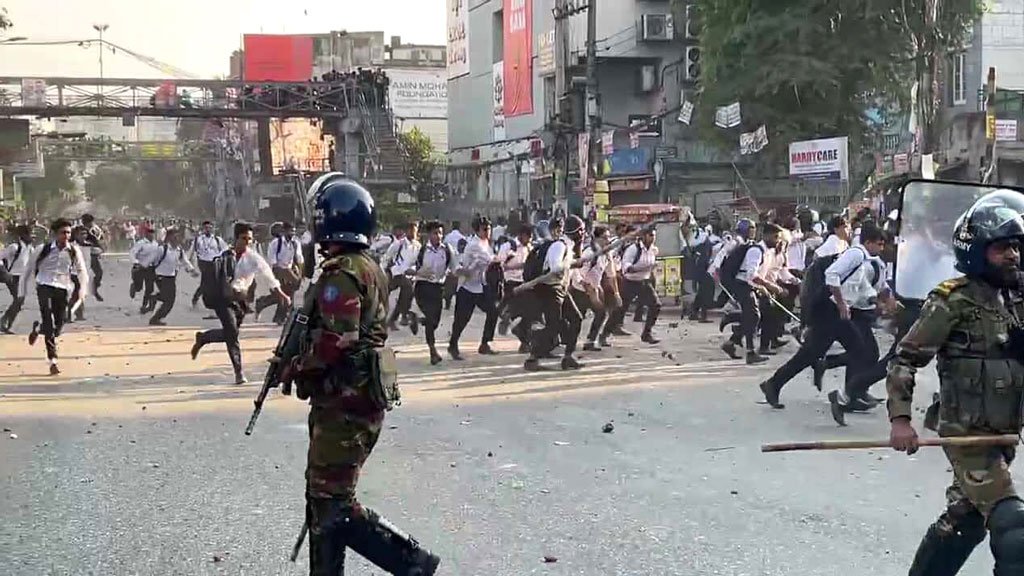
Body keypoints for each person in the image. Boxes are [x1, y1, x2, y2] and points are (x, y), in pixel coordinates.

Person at [280, 172, 441, 575]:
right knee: (323, 499)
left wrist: (295, 366)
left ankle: (412, 563)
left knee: (333, 503)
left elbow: (338, 339)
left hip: (347, 401)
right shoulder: (366, 265)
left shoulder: (343, 272)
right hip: (354, 397)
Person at [888, 190, 1024, 576]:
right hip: (966, 433)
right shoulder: (952, 302)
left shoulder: (1016, 297)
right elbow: (905, 359)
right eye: (1002, 249)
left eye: (1015, 247)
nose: (1013, 255)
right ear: (977, 252)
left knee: (965, 521)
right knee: (1014, 529)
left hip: (1003, 431)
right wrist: (900, 420)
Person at [758, 224, 889, 410]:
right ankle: (847, 392)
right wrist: (842, 303)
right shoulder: (856, 254)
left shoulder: (867, 259)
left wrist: (876, 302)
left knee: (840, 351)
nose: (881, 248)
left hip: (835, 309)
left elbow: (860, 286)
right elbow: (832, 275)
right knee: (856, 351)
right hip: (829, 309)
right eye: (879, 243)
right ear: (868, 241)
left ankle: (844, 388)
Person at [190, 222, 290, 385]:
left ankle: (204, 337)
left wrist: (281, 293)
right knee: (231, 332)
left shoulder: (253, 257)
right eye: (244, 238)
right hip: (223, 299)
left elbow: (267, 274)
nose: (248, 242)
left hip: (241, 300)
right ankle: (239, 372)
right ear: (236, 238)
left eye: (250, 239)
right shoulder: (224, 255)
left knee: (232, 333)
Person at [20, 219, 89, 376]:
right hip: (44, 285)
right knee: (48, 320)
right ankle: (53, 361)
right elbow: (28, 270)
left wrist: (82, 291)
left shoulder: (73, 251)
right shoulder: (42, 249)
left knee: (59, 325)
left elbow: (82, 271)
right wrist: (21, 293)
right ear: (55, 234)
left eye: (68, 233)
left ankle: (38, 329)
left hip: (63, 287)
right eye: (63, 232)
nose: (66, 236)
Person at [448, 216, 499, 360]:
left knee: (493, 312)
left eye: (489, 229)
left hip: (480, 286)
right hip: (467, 287)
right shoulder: (475, 245)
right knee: (462, 319)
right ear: (478, 230)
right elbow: (490, 260)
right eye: (484, 229)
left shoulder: (486, 243)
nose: (488, 231)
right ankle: (453, 345)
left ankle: (485, 343)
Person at [410, 221, 455, 365]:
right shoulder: (421, 250)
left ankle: (416, 319)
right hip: (423, 287)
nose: (438, 236)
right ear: (429, 235)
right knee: (430, 319)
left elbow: (455, 268)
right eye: (435, 233)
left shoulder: (447, 250)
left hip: (438, 288)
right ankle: (432, 351)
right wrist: (419, 271)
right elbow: (407, 267)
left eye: (440, 233)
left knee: (435, 321)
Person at [256, 221, 305, 325]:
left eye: (294, 231)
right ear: (284, 231)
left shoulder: (295, 243)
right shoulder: (276, 243)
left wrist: (300, 273)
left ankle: (278, 315)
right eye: (290, 231)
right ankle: (282, 316)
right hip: (278, 270)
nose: (292, 233)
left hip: (290, 270)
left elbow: (299, 259)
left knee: (287, 294)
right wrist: (281, 274)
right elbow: (273, 262)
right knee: (283, 294)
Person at [148, 228, 198, 326]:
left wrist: (192, 270)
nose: (177, 238)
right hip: (161, 276)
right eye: (175, 236)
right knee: (169, 300)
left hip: (171, 276)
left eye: (178, 236)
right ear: (169, 237)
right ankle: (155, 318)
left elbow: (184, 261)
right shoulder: (162, 249)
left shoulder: (179, 250)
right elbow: (152, 260)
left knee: (168, 298)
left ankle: (154, 298)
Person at [382, 221, 420, 333]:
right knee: (384, 295)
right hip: (395, 273)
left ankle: (393, 319)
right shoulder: (399, 244)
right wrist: (383, 272)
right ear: (406, 231)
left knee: (406, 295)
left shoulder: (418, 246)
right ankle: (403, 314)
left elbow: (417, 262)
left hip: (409, 274)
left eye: (415, 230)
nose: (413, 232)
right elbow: (386, 257)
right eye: (410, 230)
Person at [0, 224, 32, 333]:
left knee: (19, 301)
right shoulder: (14, 247)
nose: (31, 236)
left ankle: (6, 323)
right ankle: (5, 322)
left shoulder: (29, 247)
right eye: (28, 234)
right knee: (18, 300)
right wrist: (4, 271)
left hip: (23, 277)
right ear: (22, 235)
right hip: (13, 276)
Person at [190, 220, 229, 308]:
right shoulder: (199, 239)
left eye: (210, 228)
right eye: (206, 228)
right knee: (206, 282)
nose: (208, 230)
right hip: (203, 262)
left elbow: (225, 250)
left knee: (213, 282)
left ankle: (210, 300)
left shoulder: (217, 239)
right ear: (203, 229)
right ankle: (198, 298)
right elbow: (193, 252)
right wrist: (191, 266)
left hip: (214, 262)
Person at [80, 214, 106, 301]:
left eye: (83, 221)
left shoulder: (92, 230)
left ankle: (94, 289)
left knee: (98, 273)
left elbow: (99, 240)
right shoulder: (85, 229)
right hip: (85, 253)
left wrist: (101, 247)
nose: (82, 223)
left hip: (91, 253)